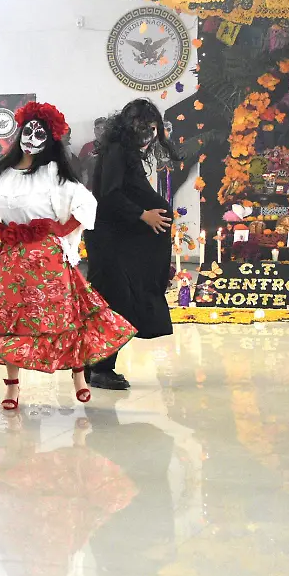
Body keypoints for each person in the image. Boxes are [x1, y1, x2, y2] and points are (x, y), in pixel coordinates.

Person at [0, 101, 136, 411]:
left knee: (64, 317)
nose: (33, 137)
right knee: (10, 321)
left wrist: (62, 230)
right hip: (12, 258)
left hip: (48, 258)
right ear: (20, 132)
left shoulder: (55, 174)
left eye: (40, 132)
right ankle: (12, 387)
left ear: (50, 139)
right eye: (29, 130)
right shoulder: (3, 174)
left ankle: (79, 378)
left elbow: (85, 205)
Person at [84, 100, 176, 391]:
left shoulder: (127, 152)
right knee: (116, 302)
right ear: (127, 126)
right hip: (111, 243)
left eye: (151, 128)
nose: (147, 134)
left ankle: (98, 366)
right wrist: (143, 215)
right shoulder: (116, 151)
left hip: (121, 241)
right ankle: (100, 368)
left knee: (123, 301)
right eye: (142, 127)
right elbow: (109, 196)